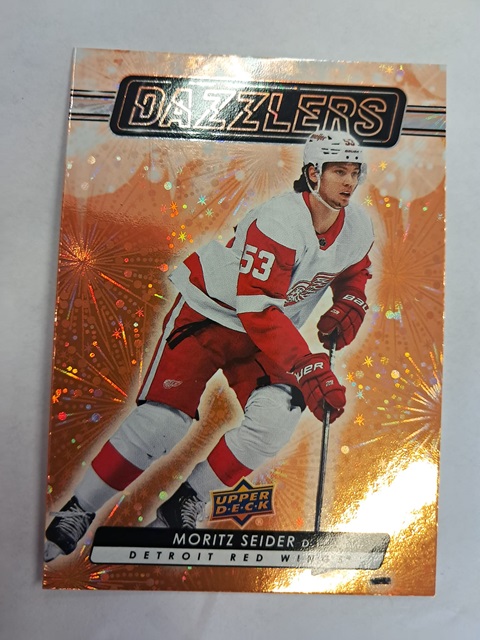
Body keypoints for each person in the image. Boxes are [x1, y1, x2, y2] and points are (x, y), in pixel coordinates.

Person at [44, 130, 374, 561]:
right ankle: (79, 507)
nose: (348, 181)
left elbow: (353, 270)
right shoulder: (279, 220)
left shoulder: (357, 225)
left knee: (277, 419)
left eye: (354, 172)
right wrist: (307, 365)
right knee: (162, 422)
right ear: (313, 174)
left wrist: (350, 302)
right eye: (338, 171)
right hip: (210, 314)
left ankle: (186, 501)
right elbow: (257, 310)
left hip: (269, 332)